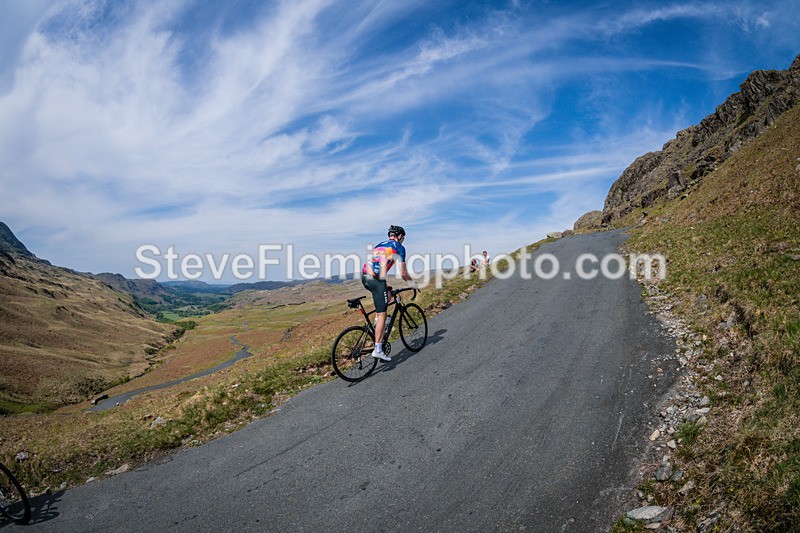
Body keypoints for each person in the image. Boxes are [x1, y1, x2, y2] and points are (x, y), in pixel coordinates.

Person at [361, 225, 413, 361]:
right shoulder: (399, 247)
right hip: (376, 280)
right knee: (382, 313)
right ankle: (378, 349)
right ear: (400, 236)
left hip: (365, 277)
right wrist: (413, 284)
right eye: (403, 237)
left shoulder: (380, 244)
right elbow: (403, 273)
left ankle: (378, 325)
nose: (403, 240)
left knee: (388, 294)